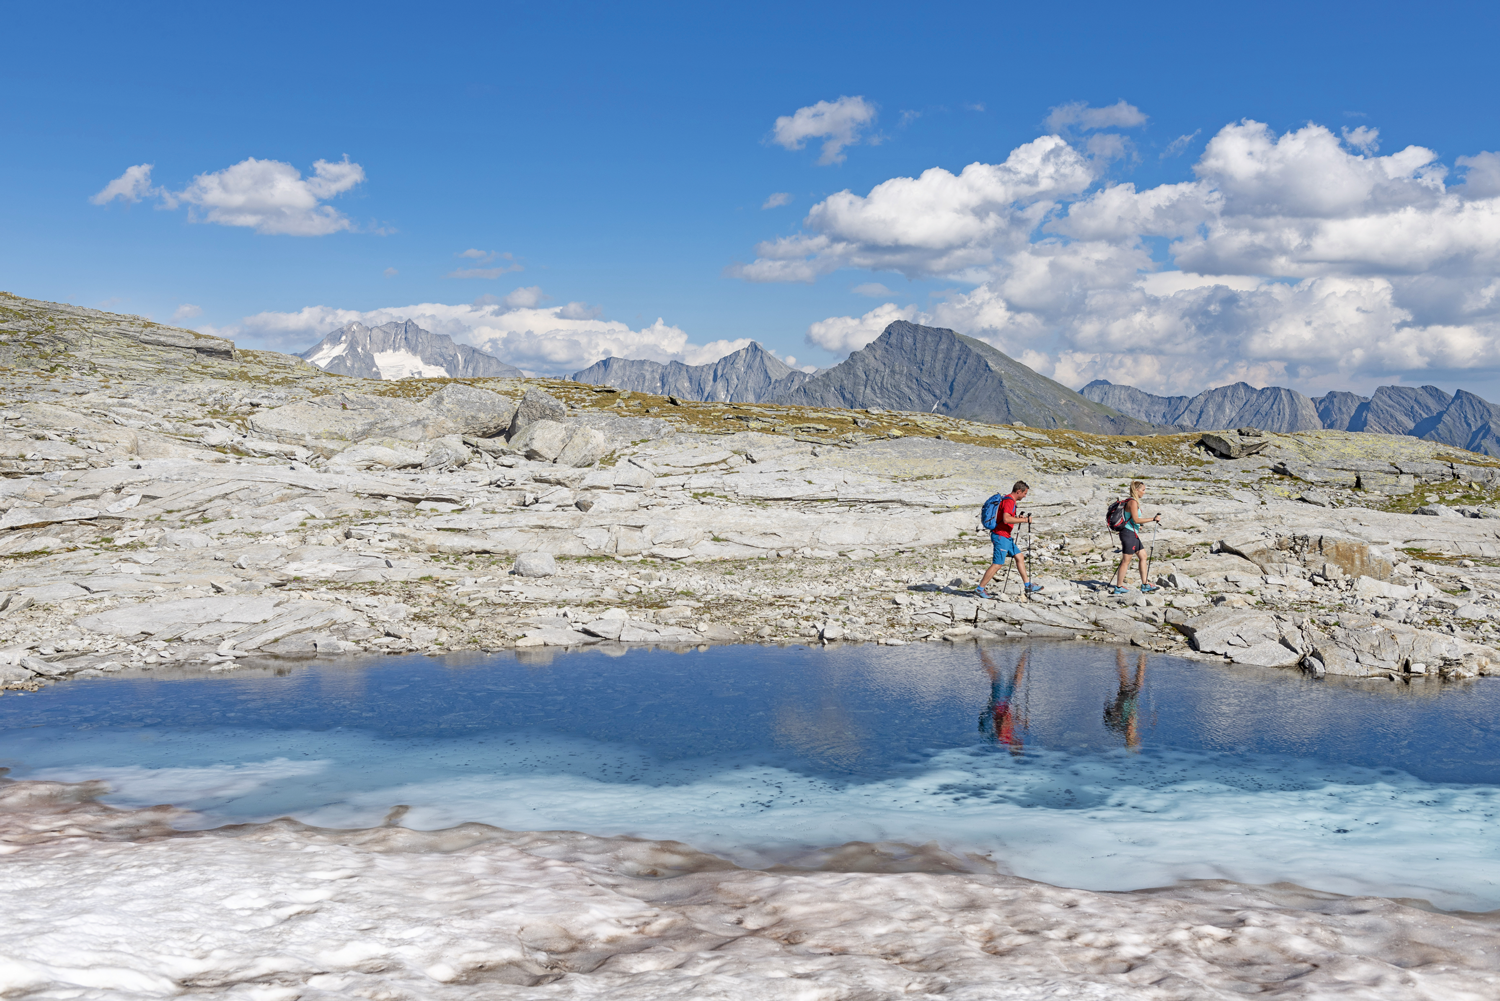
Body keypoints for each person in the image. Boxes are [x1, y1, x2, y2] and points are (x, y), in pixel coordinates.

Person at [976, 480, 1042, 599]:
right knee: (997, 564)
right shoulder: (1009, 502)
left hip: (1006, 536)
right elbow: (1006, 519)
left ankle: (1028, 585)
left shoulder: (1008, 500)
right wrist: (1024, 520)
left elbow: (1006, 517)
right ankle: (980, 589)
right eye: (1025, 493)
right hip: (1000, 536)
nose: (1025, 496)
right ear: (1018, 491)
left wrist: (1017, 517)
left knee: (1019, 556)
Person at [1110, 480, 1160, 595]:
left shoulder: (1132, 501)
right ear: (1136, 490)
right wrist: (1153, 519)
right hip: (1128, 534)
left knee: (1143, 556)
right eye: (1143, 490)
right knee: (1125, 561)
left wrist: (1138, 526)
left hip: (1133, 533)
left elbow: (1134, 520)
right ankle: (1118, 587)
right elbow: (1136, 519)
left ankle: (1145, 584)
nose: (1144, 492)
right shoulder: (1132, 502)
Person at [978, 646, 1027, 755]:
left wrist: (1017, 720)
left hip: (998, 703)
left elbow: (1003, 720)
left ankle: (980, 651)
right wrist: (1021, 721)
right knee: (1015, 681)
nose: (1021, 742)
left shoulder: (1003, 738)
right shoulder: (1009, 738)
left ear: (1015, 746)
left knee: (998, 678)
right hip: (1006, 703)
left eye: (1020, 745)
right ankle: (1025, 653)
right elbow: (1010, 721)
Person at [1103, 648, 1146, 751]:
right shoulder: (1125, 732)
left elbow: (1131, 720)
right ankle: (1121, 652)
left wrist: (1132, 709)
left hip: (1127, 704)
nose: (1140, 740)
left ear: (1134, 741)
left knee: (1135, 681)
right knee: (1125, 681)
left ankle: (1141, 654)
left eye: (1138, 742)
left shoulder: (1130, 732)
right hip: (1123, 705)